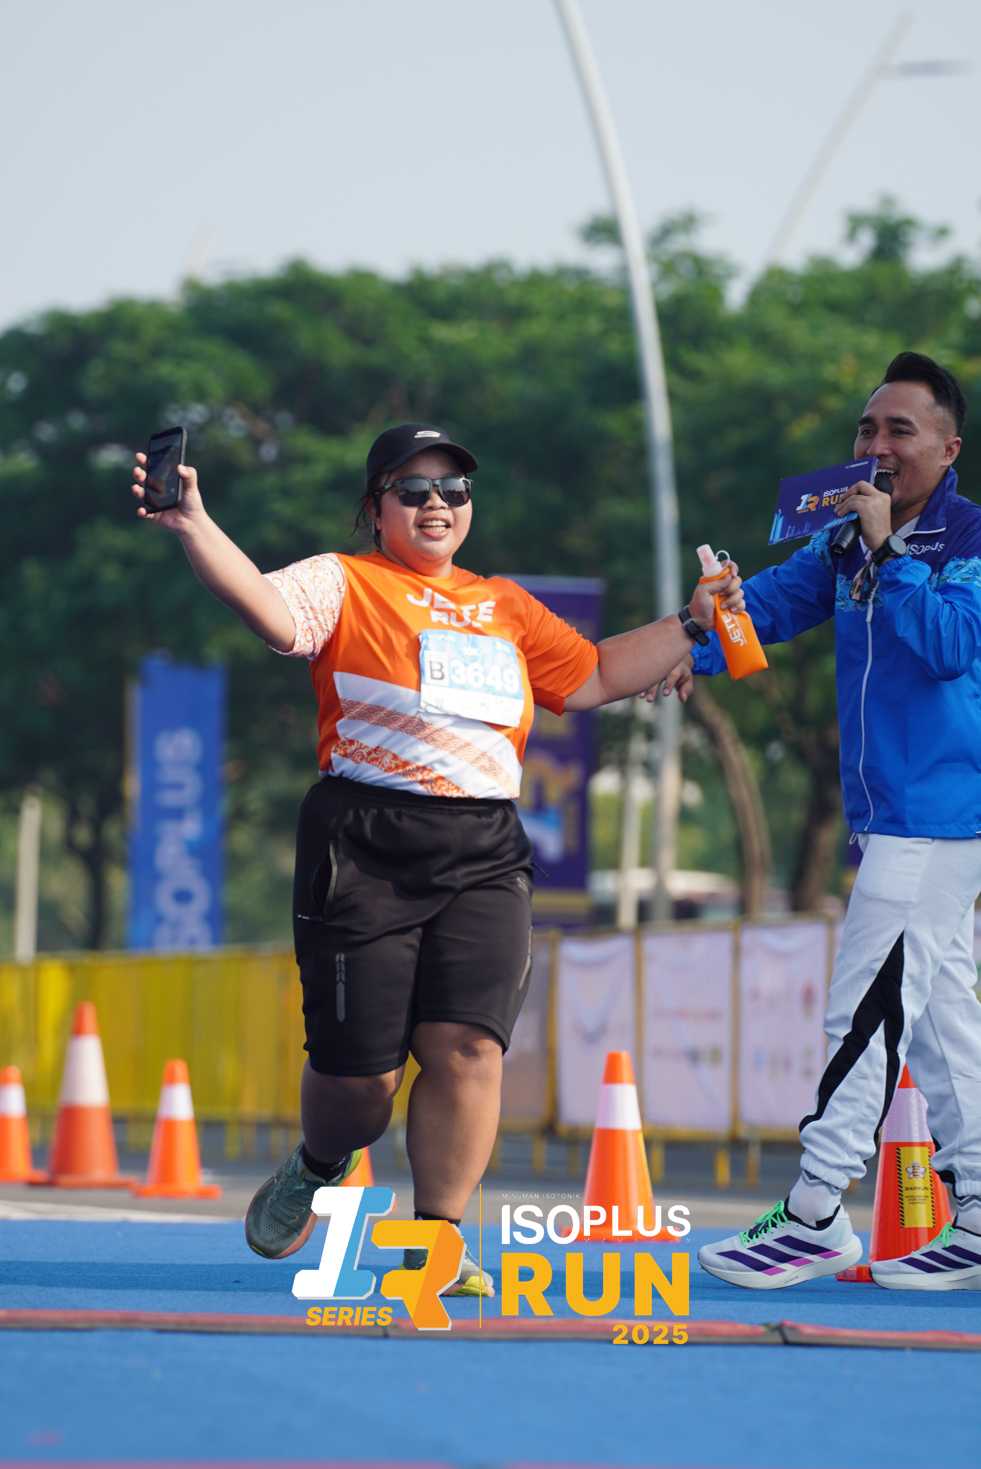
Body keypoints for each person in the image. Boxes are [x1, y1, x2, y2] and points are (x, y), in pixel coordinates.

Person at [132, 420, 744, 1294]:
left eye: (453, 489)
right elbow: (265, 608)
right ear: (375, 507)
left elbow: (595, 674)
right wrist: (194, 522)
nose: (436, 504)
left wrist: (693, 621)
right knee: (362, 1084)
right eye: (412, 489)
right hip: (363, 841)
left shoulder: (506, 605)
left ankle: (436, 1243)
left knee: (467, 1048)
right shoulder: (342, 580)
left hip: (483, 847)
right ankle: (319, 1161)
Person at [654, 352, 981, 1291]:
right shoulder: (840, 542)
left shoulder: (967, 537)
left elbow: (951, 644)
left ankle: (814, 1212)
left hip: (938, 819)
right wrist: (688, 645)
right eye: (866, 428)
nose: (876, 445)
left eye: (899, 430)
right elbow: (766, 607)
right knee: (939, 1022)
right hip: (890, 819)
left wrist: (889, 555)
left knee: (864, 1007)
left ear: (946, 449)